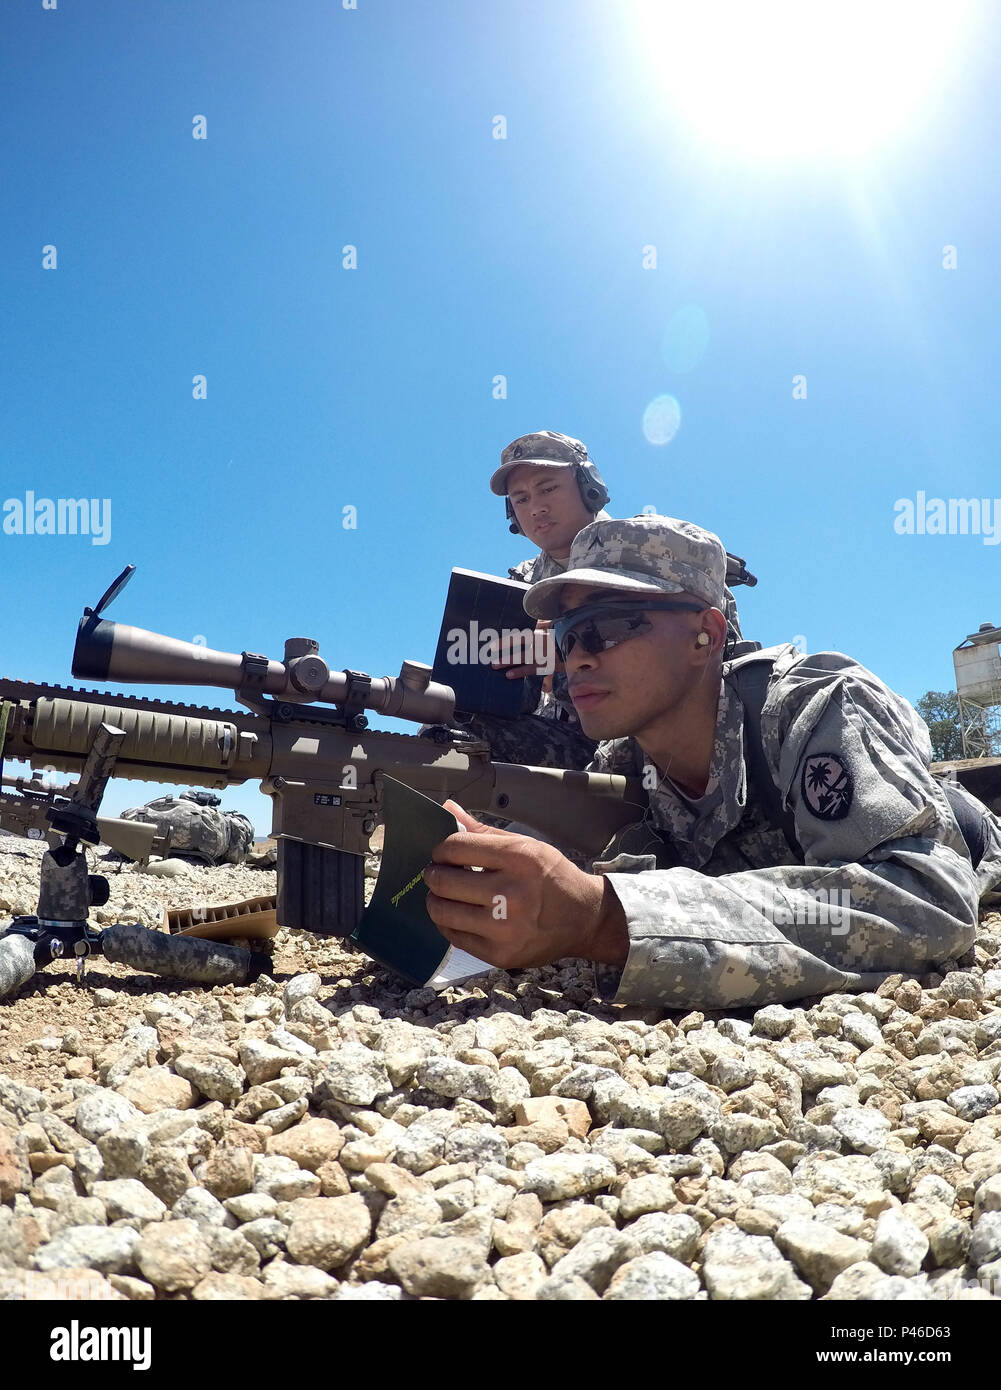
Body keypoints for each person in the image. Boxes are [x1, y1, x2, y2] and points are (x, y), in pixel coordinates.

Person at [423, 514, 1001, 1010]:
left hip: (972, 836)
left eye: (603, 629)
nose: (577, 659)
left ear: (706, 632)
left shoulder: (815, 707)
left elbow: (930, 901)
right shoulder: (621, 764)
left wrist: (604, 920)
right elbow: (545, 878)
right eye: (566, 637)